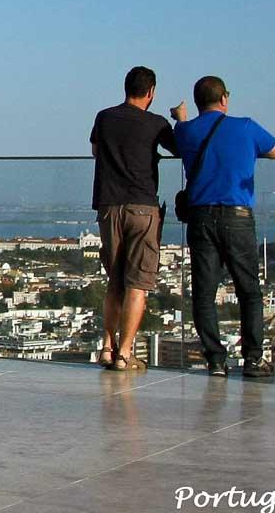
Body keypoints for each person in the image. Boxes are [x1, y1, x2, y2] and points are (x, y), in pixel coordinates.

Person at [170, 75, 275, 378]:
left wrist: (180, 119)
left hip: (200, 216)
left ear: (198, 103)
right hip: (237, 217)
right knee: (249, 290)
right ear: (224, 99)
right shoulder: (245, 127)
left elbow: (180, 138)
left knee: (204, 292)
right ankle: (253, 359)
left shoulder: (186, 132)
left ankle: (215, 360)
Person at [89, 66, 182, 371]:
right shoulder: (156, 123)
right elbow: (181, 149)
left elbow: (95, 151)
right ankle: (125, 353)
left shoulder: (104, 117)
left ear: (125, 87)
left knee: (114, 281)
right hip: (143, 206)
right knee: (137, 284)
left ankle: (106, 346)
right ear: (151, 92)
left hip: (109, 204)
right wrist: (180, 120)